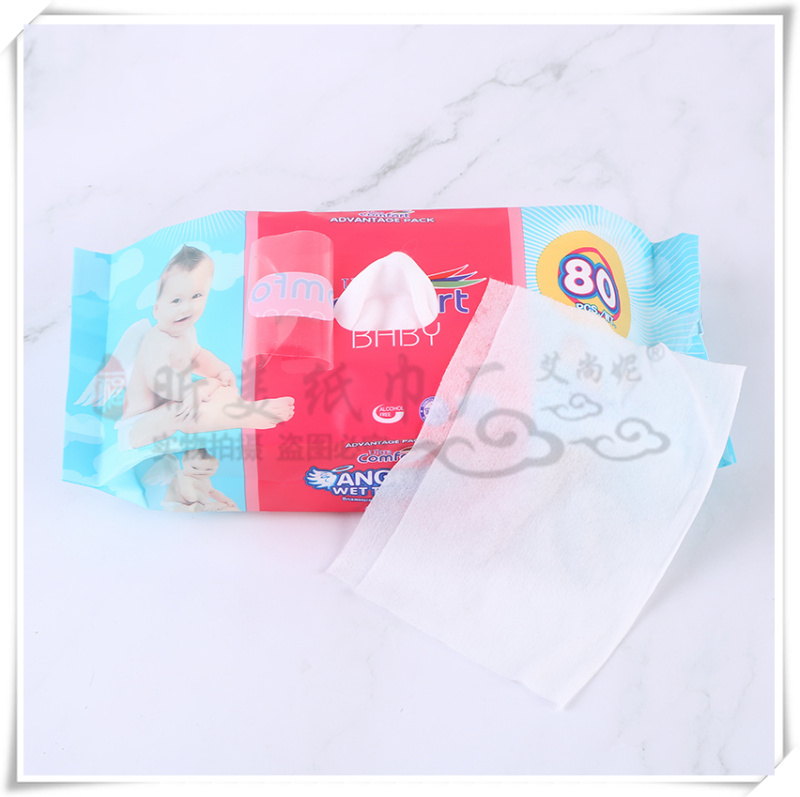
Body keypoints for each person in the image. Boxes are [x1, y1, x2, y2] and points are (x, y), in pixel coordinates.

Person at [111, 245, 294, 450]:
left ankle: (240, 408)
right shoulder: (156, 340)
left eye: (196, 296)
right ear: (156, 309)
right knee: (180, 412)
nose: (186, 307)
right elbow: (159, 379)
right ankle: (244, 415)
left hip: (174, 402)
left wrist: (220, 371)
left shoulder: (187, 332)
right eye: (176, 300)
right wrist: (193, 393)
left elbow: (196, 355)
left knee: (218, 389)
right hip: (137, 426)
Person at [161, 449, 239, 512]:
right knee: (181, 509)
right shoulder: (184, 477)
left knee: (222, 506)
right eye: (194, 468)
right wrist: (207, 503)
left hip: (195, 503)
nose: (200, 472)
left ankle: (197, 507)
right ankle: (193, 508)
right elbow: (189, 494)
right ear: (184, 460)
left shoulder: (203, 478)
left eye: (208, 469)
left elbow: (212, 492)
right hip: (174, 505)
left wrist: (226, 500)